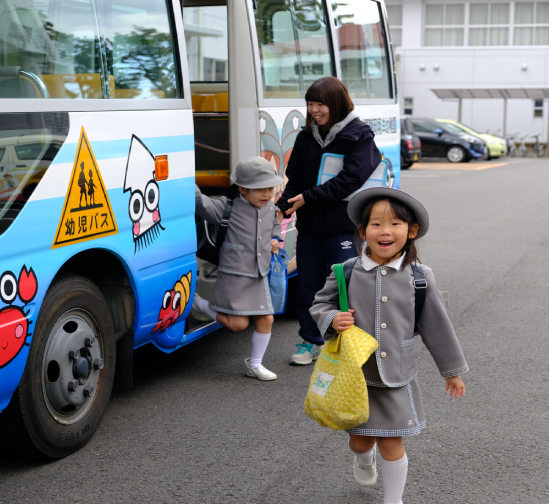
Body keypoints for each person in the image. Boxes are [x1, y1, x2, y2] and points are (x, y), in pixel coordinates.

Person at [310, 187, 468, 504]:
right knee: (360, 441)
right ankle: (363, 456)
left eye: (395, 224)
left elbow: (437, 325)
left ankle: (393, 500)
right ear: (362, 231)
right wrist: (331, 319)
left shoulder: (420, 277)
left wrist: (452, 371)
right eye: (376, 224)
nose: (385, 231)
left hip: (396, 374)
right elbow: (320, 305)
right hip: (356, 377)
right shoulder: (346, 271)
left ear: (411, 232)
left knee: (392, 442)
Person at [276, 76, 382, 366]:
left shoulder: (359, 136)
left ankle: (350, 343)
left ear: (336, 103)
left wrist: (308, 197)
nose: (314, 111)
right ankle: (311, 340)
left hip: (343, 225)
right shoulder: (306, 136)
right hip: (309, 225)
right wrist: (284, 205)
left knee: (346, 284)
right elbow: (295, 177)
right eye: (310, 104)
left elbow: (350, 180)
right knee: (308, 285)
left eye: (320, 104)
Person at [193, 157, 284, 381]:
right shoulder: (226, 207)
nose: (266, 194)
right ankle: (201, 304)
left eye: (270, 188)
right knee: (237, 324)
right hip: (233, 276)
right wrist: (183, 170)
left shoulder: (270, 206)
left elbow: (274, 228)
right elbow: (198, 201)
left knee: (266, 319)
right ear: (242, 189)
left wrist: (274, 240)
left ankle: (255, 364)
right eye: (259, 189)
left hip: (260, 273)